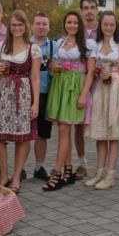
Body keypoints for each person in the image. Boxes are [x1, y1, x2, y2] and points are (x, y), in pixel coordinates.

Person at [0, 10, 41, 193]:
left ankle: (16, 177)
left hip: (23, 95)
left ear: (26, 26)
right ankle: (4, 175)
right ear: (9, 26)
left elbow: (35, 77)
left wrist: (36, 103)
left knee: (22, 137)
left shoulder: (33, 48)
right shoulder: (0, 46)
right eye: (14, 25)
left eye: (20, 24)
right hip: (2, 93)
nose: (17, 28)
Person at [43, 11, 96, 191]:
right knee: (63, 130)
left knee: (64, 129)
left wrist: (83, 95)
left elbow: (90, 72)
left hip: (76, 87)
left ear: (80, 25)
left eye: (75, 22)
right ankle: (68, 170)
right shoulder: (61, 42)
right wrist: (54, 66)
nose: (72, 25)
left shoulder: (88, 44)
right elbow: (54, 64)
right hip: (60, 86)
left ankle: (56, 173)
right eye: (69, 22)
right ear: (65, 24)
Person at [84, 12, 119, 190]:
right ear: (101, 25)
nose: (109, 28)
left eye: (112, 25)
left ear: (116, 26)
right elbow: (91, 70)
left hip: (116, 90)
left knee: (113, 134)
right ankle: (100, 172)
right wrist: (98, 73)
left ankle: (110, 175)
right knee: (101, 135)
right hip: (99, 90)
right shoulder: (94, 45)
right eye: (106, 24)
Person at [74, 0, 100, 179]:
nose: (89, 11)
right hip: (81, 82)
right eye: (85, 8)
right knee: (78, 125)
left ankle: (101, 166)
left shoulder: (105, 29)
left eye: (92, 7)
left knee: (101, 124)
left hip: (102, 83)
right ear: (81, 11)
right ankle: (82, 163)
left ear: (97, 9)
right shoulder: (76, 31)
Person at [31, 13, 56, 181]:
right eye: (38, 23)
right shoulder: (26, 44)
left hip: (47, 93)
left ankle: (39, 167)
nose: (41, 27)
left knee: (43, 133)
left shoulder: (55, 46)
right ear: (32, 26)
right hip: (27, 93)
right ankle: (20, 168)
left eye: (44, 24)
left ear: (48, 27)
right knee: (24, 134)